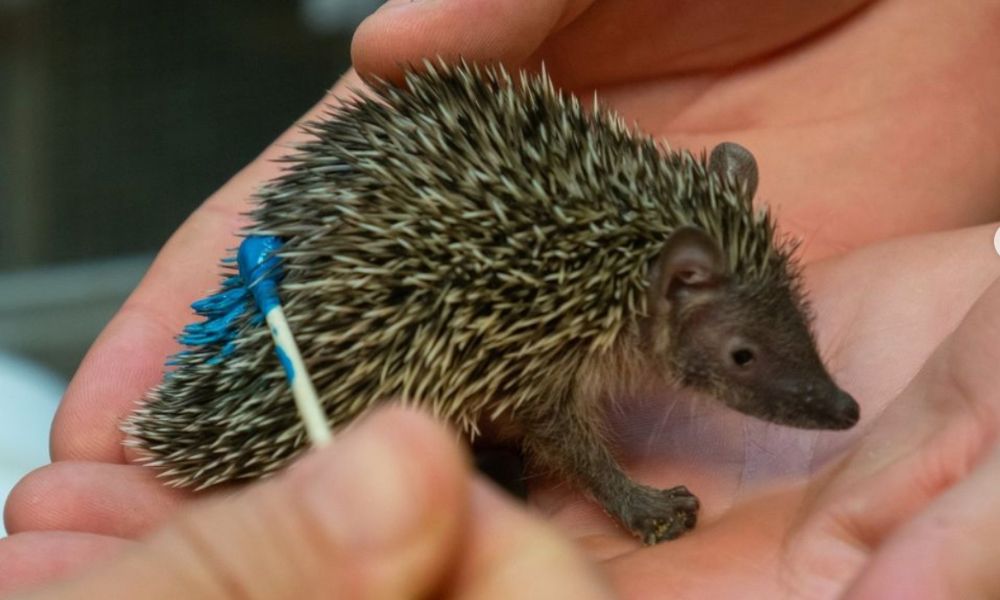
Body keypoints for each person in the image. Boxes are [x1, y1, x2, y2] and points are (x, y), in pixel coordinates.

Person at [4, 0, 1000, 596]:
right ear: (675, 284)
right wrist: (625, 493)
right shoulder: (579, 310)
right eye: (747, 360)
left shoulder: (647, 271)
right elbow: (544, 408)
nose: (812, 398)